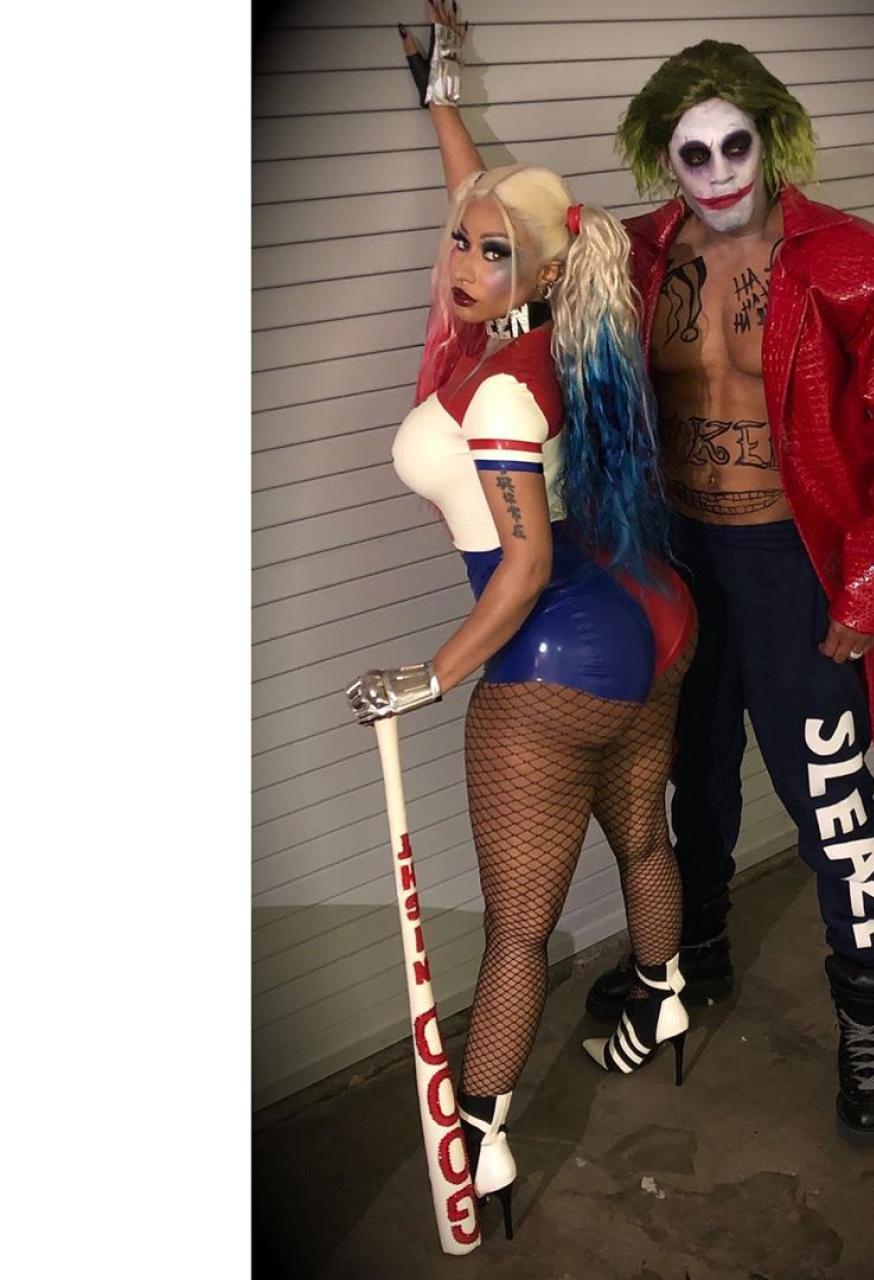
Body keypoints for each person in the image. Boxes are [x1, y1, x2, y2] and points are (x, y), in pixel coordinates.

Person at [407, 8, 874, 1148]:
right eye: (691, 152)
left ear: (772, 138)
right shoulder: (631, 253)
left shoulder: (859, 263)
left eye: (735, 146)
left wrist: (863, 599)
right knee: (689, 788)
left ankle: (864, 1017)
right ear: (663, 153)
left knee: (832, 803)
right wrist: (442, 99)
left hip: (795, 569)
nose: (716, 173)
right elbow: (497, 224)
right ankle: (691, 957)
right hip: (669, 565)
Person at [346, 23, 698, 1241]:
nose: (460, 259)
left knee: (516, 929)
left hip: (554, 659)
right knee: (640, 838)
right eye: (460, 239)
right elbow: (484, 202)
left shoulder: (500, 387)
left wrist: (429, 676)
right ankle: (662, 997)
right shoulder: (562, 340)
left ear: (537, 271)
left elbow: (525, 564)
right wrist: (440, 96)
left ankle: (482, 1137)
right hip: (654, 624)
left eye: (487, 252)